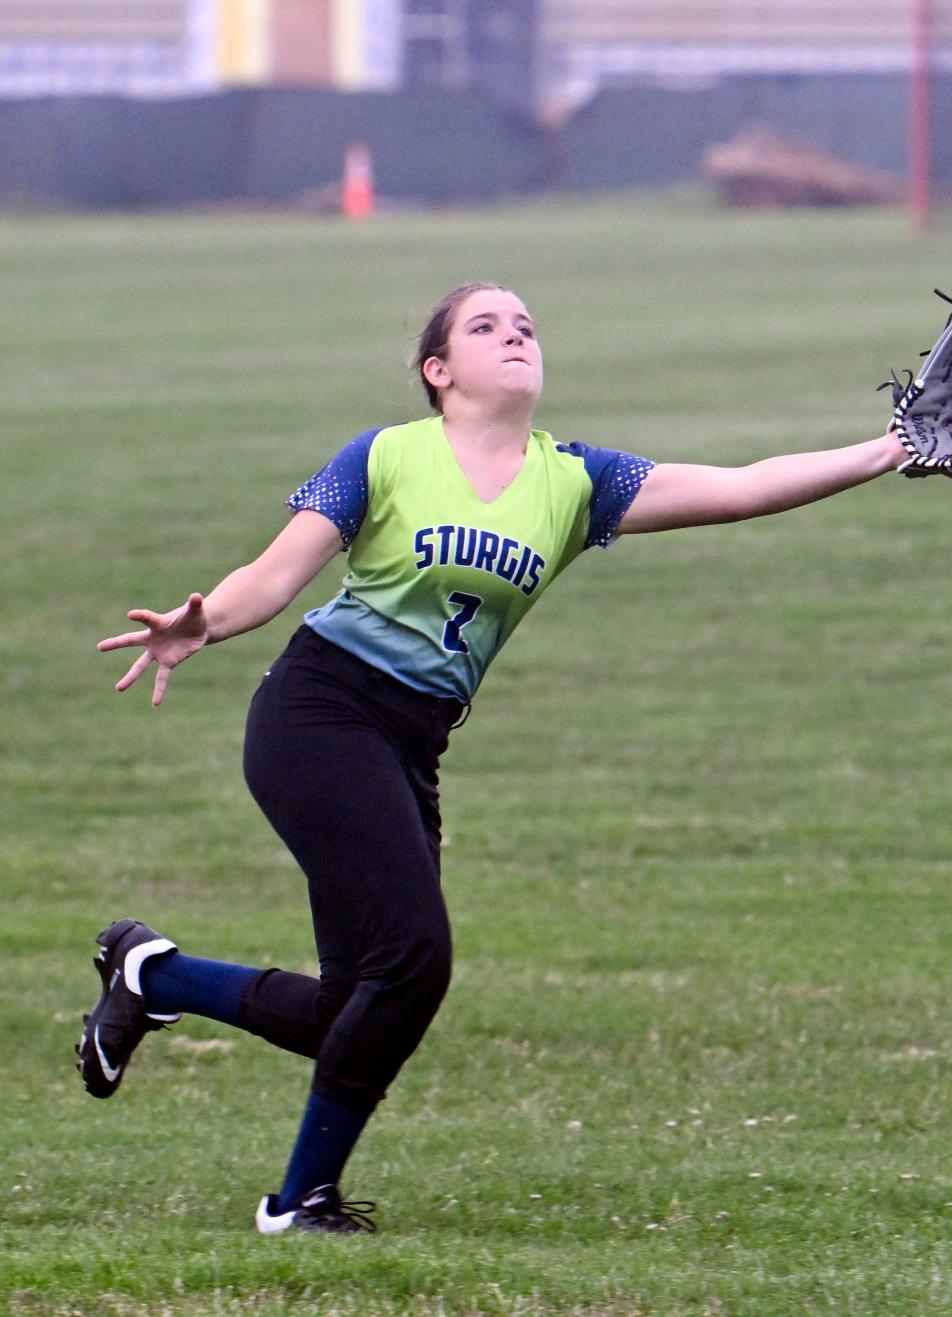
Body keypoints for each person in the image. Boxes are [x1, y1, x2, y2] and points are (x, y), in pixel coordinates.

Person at [86, 281, 907, 1234]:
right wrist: (203, 621)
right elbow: (272, 576)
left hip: (411, 743)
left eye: (525, 326)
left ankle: (153, 975)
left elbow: (745, 484)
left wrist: (889, 449)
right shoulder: (388, 455)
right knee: (416, 958)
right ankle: (298, 1201)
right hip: (318, 715)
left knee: (355, 1009)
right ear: (440, 373)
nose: (514, 335)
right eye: (485, 327)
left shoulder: (574, 481)